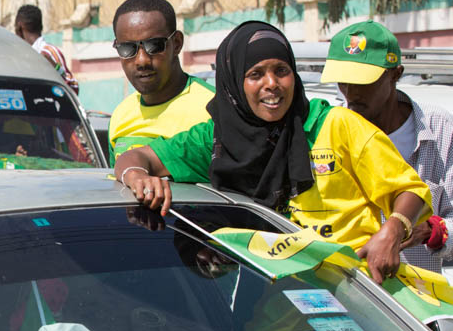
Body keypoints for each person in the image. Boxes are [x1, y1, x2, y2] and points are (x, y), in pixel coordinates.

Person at [113, 20, 432, 285]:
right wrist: (137, 176)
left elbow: (409, 189)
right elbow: (136, 158)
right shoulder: (215, 139)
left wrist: (392, 230)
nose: (272, 84)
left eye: (281, 70)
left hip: (354, 296)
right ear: (234, 84)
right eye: (255, 75)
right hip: (275, 308)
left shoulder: (337, 126)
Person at [321, 20, 453, 272]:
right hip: (342, 295)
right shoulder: (326, 132)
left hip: (413, 301)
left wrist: (429, 231)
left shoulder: (442, 131)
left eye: (363, 82)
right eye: (343, 81)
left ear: (396, 73)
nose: (351, 93)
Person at [107, 0, 214, 164]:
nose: (141, 60)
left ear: (177, 43)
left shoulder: (214, 109)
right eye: (127, 48)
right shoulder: (120, 115)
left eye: (155, 45)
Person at [14, 4, 79, 93]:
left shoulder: (49, 52)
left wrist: (54, 66)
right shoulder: (20, 56)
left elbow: (74, 87)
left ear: (20, 26)